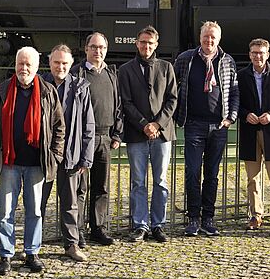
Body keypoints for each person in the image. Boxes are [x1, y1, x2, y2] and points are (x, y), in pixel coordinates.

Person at [0, 47, 64, 275]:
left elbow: (59, 127)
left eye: (29, 65)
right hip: (9, 162)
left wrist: (55, 156)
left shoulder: (48, 92)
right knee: (5, 211)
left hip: (36, 163)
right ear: (15, 65)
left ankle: (32, 252)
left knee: (35, 211)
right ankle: (6, 255)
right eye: (21, 64)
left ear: (37, 67)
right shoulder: (1, 91)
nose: (24, 68)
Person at [174, 21, 239, 237]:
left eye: (213, 37)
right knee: (192, 172)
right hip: (193, 124)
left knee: (212, 174)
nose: (209, 40)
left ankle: (208, 217)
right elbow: (173, 87)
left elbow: (235, 92)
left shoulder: (227, 61)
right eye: (205, 36)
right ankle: (193, 217)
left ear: (218, 39)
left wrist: (231, 118)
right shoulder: (186, 59)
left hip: (218, 126)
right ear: (200, 37)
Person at [118, 26, 178, 243]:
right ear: (136, 43)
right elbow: (126, 102)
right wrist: (144, 124)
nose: (146, 46)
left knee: (160, 181)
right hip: (137, 134)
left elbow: (172, 99)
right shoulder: (125, 70)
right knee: (137, 182)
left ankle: (158, 224)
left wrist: (157, 124)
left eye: (150, 43)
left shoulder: (166, 67)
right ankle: (140, 224)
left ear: (156, 44)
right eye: (143, 42)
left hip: (162, 135)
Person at [42, 44, 95, 262]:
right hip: (44, 155)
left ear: (71, 64)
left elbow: (88, 124)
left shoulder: (80, 87)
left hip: (71, 154)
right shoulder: (40, 85)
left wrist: (86, 157)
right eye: (56, 62)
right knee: (38, 202)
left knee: (70, 203)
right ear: (49, 62)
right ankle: (32, 244)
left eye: (64, 63)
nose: (60, 66)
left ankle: (71, 245)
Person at [237, 38, 270, 238]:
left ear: (267, 54)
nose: (257, 56)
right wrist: (245, 114)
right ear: (249, 54)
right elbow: (236, 102)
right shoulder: (241, 76)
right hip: (250, 132)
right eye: (254, 53)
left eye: (261, 53)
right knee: (252, 178)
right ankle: (256, 215)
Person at [71, 33, 122, 246]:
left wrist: (117, 133)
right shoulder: (77, 73)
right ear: (86, 49)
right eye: (93, 47)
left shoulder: (111, 74)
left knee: (101, 186)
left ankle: (98, 228)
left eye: (101, 47)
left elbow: (118, 105)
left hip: (105, 137)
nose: (97, 51)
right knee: (80, 188)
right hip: (84, 139)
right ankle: (78, 230)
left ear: (106, 50)